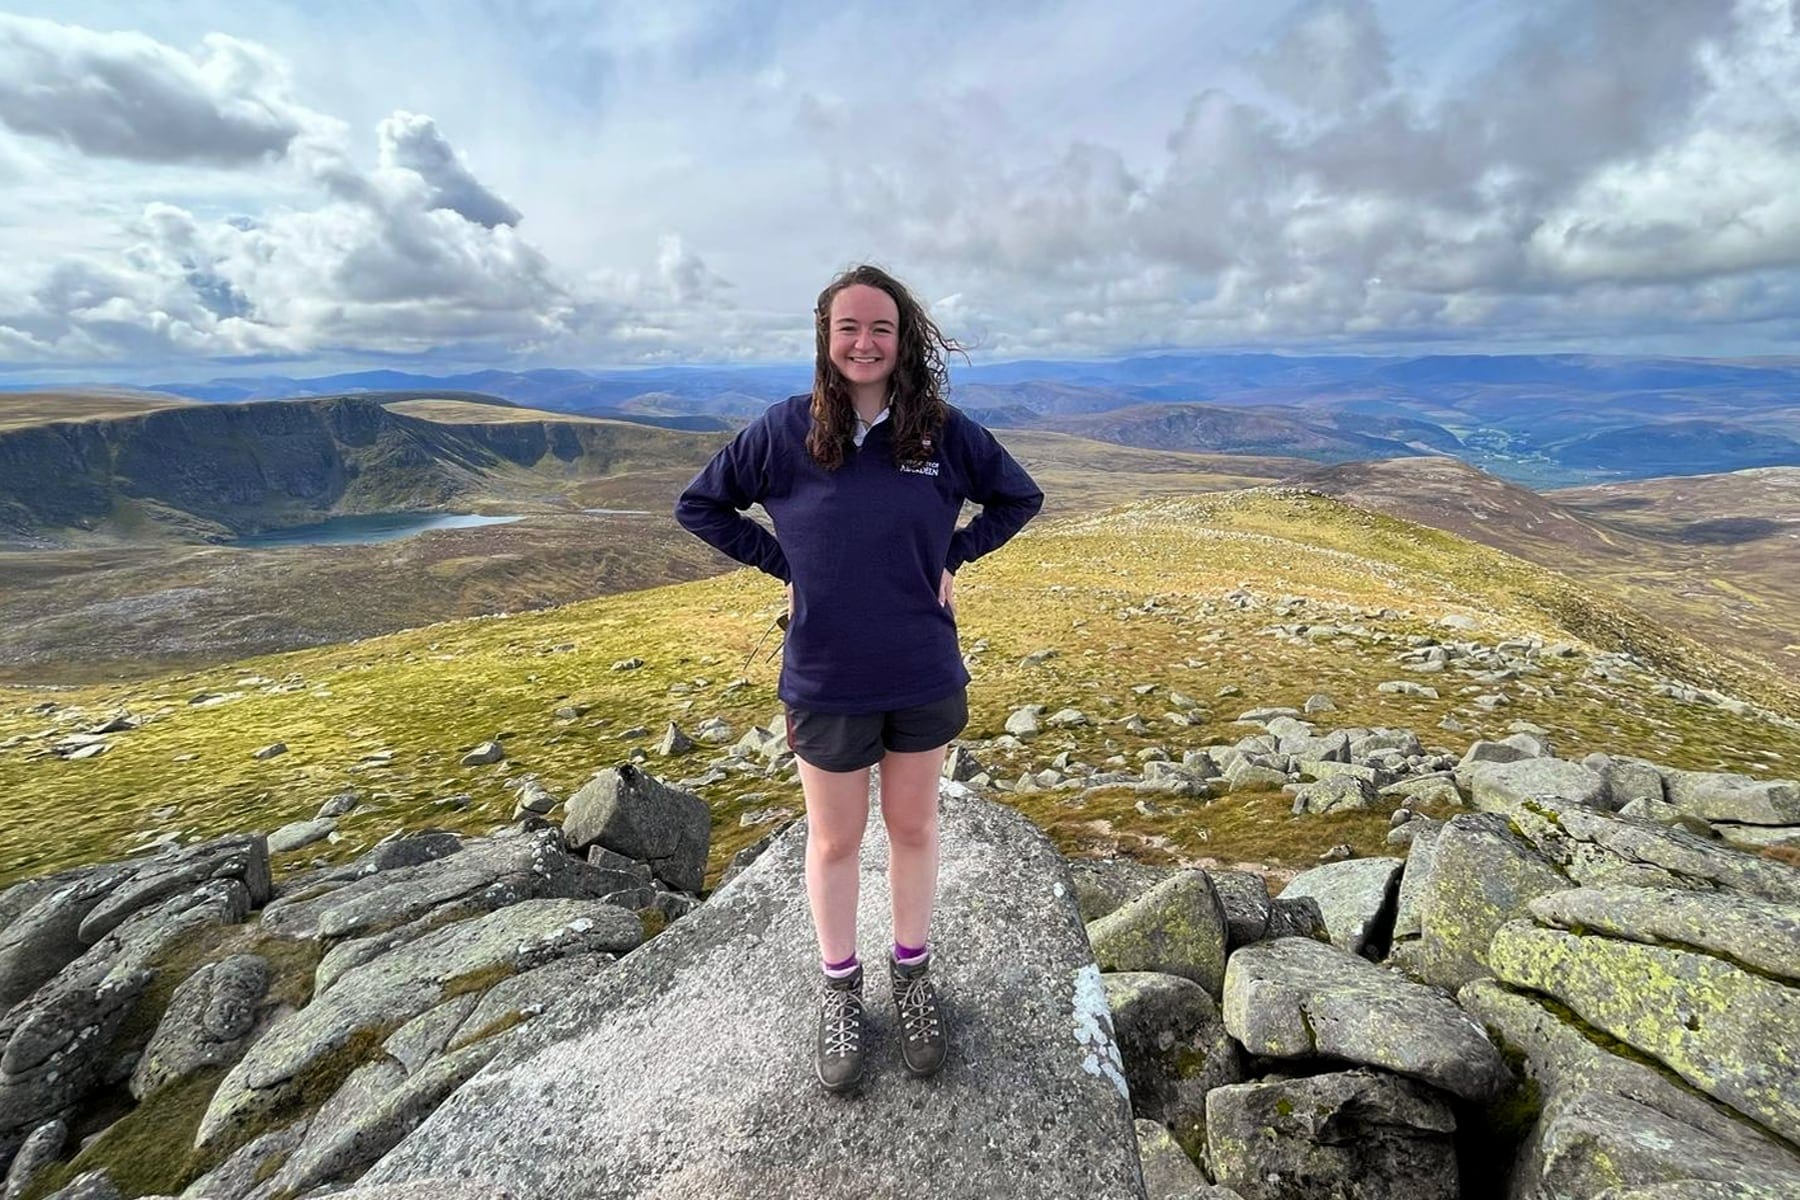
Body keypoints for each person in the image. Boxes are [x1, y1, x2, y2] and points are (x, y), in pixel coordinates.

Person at [673, 263, 1044, 1094]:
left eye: (881, 328)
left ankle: (911, 974)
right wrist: (786, 565)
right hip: (827, 676)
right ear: (825, 337)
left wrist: (954, 554)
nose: (865, 343)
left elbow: (1019, 498)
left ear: (903, 339)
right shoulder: (785, 430)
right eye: (849, 327)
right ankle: (840, 988)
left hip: (920, 669)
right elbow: (700, 505)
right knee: (836, 840)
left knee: (913, 828)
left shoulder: (941, 433)